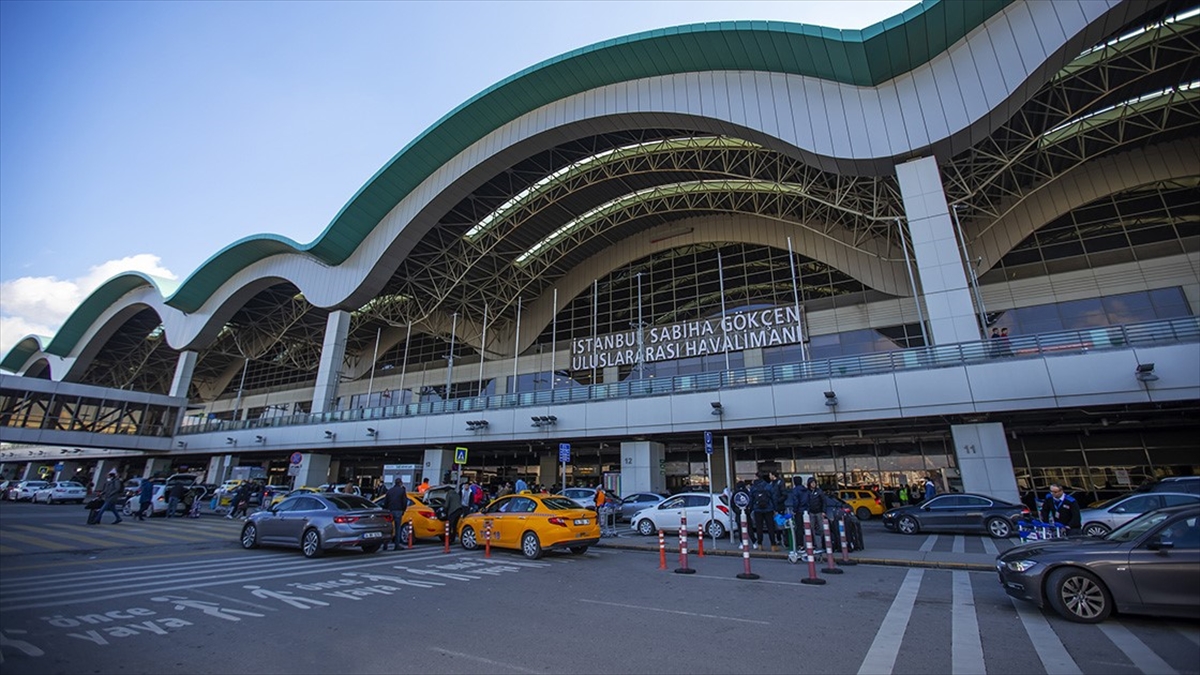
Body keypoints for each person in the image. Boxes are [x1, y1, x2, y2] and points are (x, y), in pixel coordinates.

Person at [749, 474, 777, 551]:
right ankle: (773, 545)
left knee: (759, 528)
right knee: (771, 527)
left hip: (757, 510)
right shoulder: (768, 486)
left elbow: (751, 500)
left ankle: (760, 544)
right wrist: (775, 508)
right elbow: (773, 497)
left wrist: (750, 509)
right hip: (768, 509)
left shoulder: (753, 487)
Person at [382, 479, 409, 551]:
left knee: (389, 528)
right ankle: (397, 545)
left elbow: (385, 502)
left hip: (390, 511)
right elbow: (404, 501)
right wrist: (403, 510)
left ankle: (385, 544)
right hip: (398, 511)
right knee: (398, 528)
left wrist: (387, 509)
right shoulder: (402, 491)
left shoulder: (390, 491)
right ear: (400, 483)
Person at [804, 477, 827, 552]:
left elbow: (824, 501)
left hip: (819, 511)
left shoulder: (819, 491)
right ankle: (814, 544)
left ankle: (823, 544)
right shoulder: (807, 492)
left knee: (821, 528)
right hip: (811, 512)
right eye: (812, 483)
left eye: (814, 483)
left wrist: (823, 511)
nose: (813, 484)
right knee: (811, 528)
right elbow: (806, 502)